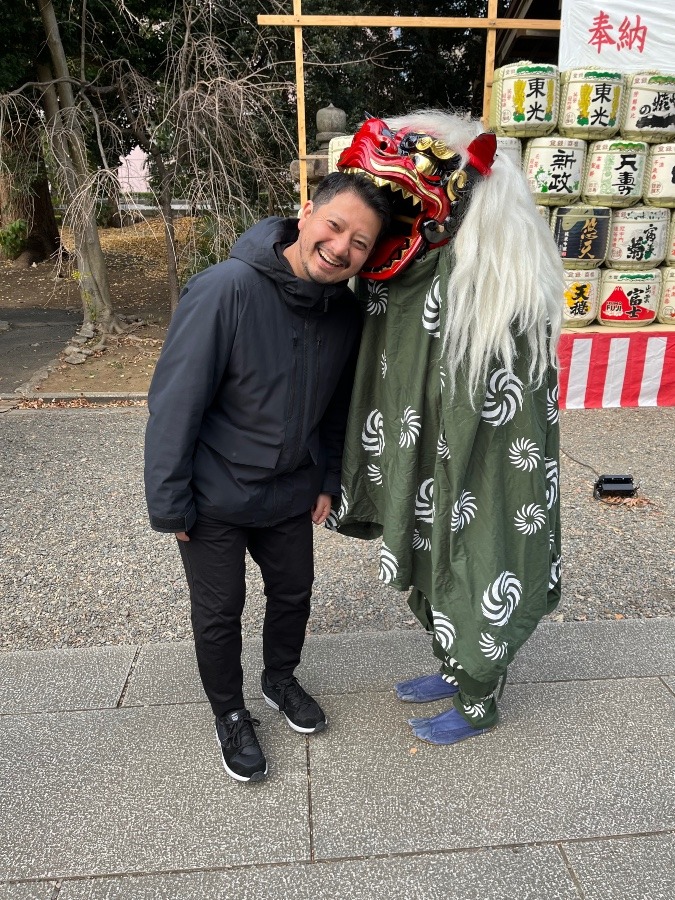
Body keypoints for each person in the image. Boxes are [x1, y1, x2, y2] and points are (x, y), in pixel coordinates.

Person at [144, 172, 389, 782]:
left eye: (360, 243)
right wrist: (170, 504)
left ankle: (280, 678)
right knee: (220, 612)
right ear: (306, 214)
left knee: (294, 593)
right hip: (214, 495)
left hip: (289, 492)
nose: (341, 248)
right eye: (335, 226)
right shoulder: (226, 289)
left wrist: (328, 478)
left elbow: (336, 409)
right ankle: (230, 712)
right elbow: (175, 402)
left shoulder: (344, 314)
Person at [331, 111, 563, 744]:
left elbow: (500, 395)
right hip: (421, 442)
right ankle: (450, 661)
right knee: (426, 546)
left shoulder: (496, 286)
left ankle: (479, 695)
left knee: (476, 552)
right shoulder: (411, 265)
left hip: (479, 459)